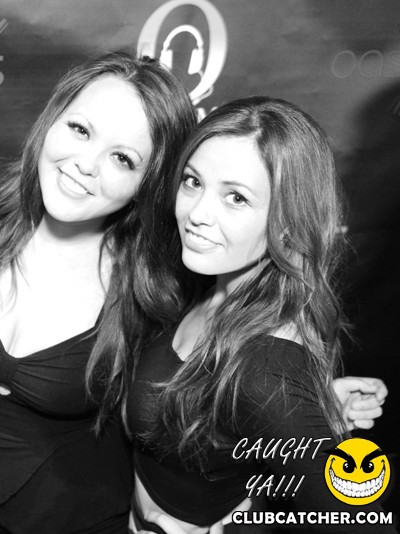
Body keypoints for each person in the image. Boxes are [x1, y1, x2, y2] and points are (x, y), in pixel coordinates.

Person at [0, 51, 385, 534]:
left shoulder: (150, 276)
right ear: (52, 118)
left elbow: (238, 383)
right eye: (80, 129)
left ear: (146, 181)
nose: (85, 164)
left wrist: (251, 499)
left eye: (122, 158)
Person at [127, 97, 392, 534]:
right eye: (193, 181)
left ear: (287, 223)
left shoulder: (266, 372)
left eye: (236, 197)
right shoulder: (211, 280)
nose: (196, 214)